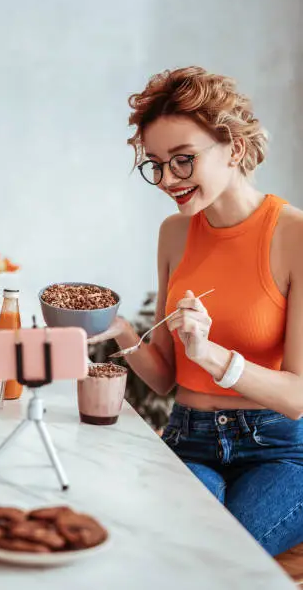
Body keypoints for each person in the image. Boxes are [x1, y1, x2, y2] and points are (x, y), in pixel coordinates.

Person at [94, 66, 303, 557]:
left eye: (183, 160)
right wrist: (122, 330)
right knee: (177, 550)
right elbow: (166, 379)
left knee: (220, 557)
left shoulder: (293, 235)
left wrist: (213, 357)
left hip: (280, 451)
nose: (168, 179)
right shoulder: (174, 233)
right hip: (190, 439)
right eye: (157, 164)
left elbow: (296, 397)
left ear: (234, 147)